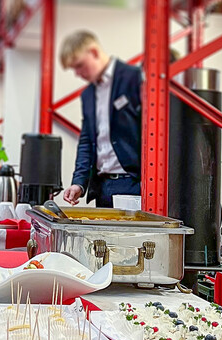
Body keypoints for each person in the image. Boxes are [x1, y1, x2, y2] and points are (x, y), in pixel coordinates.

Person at [60, 30, 142, 208]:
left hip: (135, 186)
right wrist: (79, 182)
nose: (78, 74)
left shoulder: (134, 79)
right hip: (103, 188)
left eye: (80, 65)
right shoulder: (88, 94)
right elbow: (86, 141)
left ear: (94, 52)